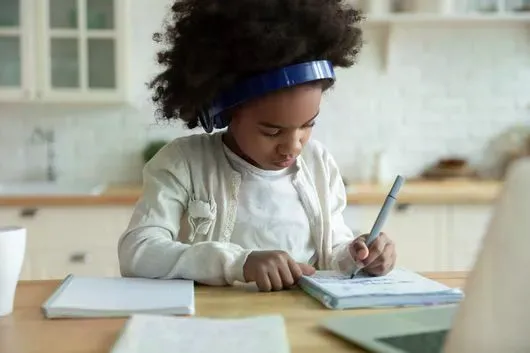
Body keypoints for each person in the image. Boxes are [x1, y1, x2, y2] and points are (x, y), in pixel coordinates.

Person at [117, 0, 397, 292]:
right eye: (272, 131)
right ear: (225, 113)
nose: (292, 147)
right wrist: (240, 263)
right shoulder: (182, 163)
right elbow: (138, 252)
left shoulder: (319, 163)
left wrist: (358, 255)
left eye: (307, 125)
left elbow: (333, 250)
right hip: (212, 325)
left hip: (303, 321)